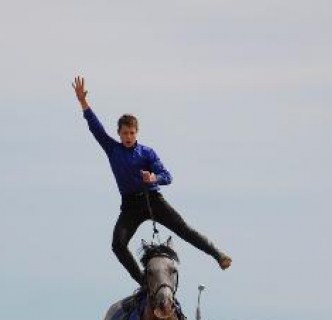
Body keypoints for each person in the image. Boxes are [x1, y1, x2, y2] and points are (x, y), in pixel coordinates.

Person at [72, 76, 232, 286]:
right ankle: (144, 283)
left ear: (136, 132)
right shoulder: (113, 149)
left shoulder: (146, 152)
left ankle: (217, 254)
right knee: (117, 245)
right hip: (130, 206)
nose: (128, 136)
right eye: (124, 133)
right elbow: (96, 128)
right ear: (119, 134)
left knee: (184, 229)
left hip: (153, 200)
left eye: (131, 132)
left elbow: (168, 176)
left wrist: (153, 177)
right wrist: (83, 103)